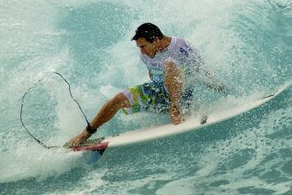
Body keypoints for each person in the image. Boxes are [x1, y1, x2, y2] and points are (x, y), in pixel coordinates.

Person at [68, 22, 223, 148]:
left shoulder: (181, 48)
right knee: (118, 99)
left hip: (182, 98)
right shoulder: (145, 54)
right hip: (159, 94)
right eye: (139, 47)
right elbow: (152, 73)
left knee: (169, 64)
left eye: (143, 46)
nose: (141, 51)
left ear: (155, 40)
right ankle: (86, 133)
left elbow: (202, 72)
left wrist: (222, 89)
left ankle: (175, 110)